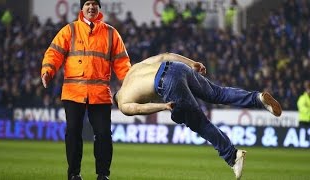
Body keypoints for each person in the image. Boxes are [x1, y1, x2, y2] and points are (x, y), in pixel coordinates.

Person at [114, 53, 282, 180]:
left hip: (165, 82)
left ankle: (232, 156)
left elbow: (139, 109)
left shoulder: (122, 104)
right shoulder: (133, 70)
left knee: (199, 123)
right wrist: (192, 63)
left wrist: (163, 106)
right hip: (176, 67)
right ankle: (258, 99)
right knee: (217, 93)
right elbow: (166, 55)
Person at [41, 1, 131, 180]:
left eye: (94, 4)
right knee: (73, 132)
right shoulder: (70, 30)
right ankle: (74, 174)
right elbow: (54, 53)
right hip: (74, 93)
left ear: (99, 8)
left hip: (99, 94)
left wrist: (130, 84)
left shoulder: (111, 33)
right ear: (82, 8)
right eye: (87, 4)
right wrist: (47, 71)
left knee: (104, 134)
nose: (91, 7)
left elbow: (122, 63)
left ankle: (103, 175)